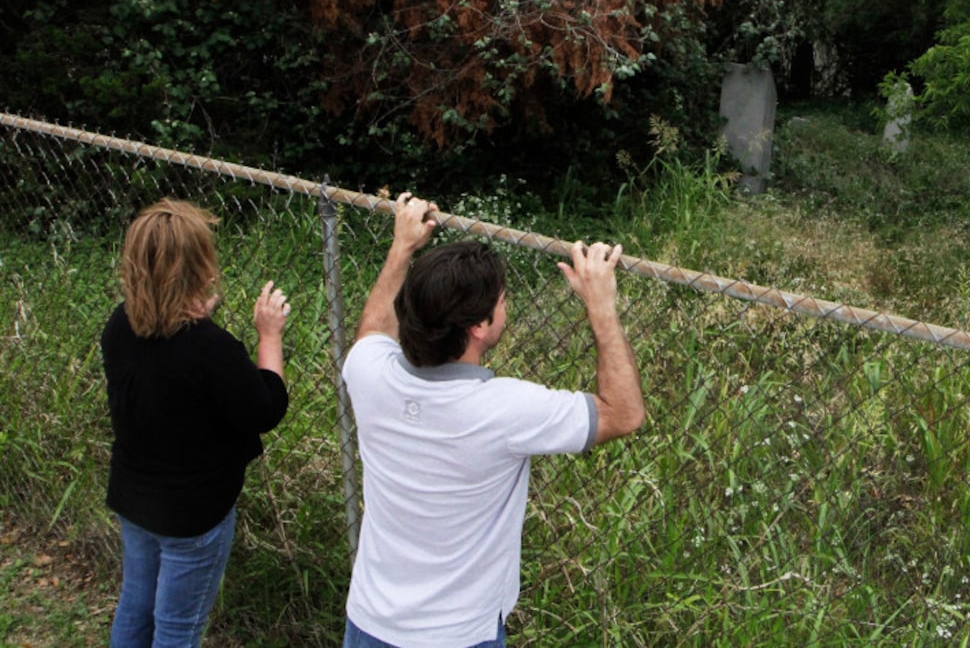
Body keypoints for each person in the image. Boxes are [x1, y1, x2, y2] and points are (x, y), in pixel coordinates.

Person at [342, 192, 645, 648]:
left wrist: (401, 248)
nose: (507, 305)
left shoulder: (368, 374)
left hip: (369, 622)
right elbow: (624, 414)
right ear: (479, 327)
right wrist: (600, 306)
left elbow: (372, 331)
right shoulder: (505, 411)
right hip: (458, 635)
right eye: (503, 300)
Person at [101, 199, 291, 648]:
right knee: (176, 628)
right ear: (200, 271)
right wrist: (269, 336)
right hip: (193, 517)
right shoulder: (212, 349)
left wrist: (198, 317)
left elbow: (167, 372)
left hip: (134, 498)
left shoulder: (118, 327)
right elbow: (266, 409)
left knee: (136, 604)